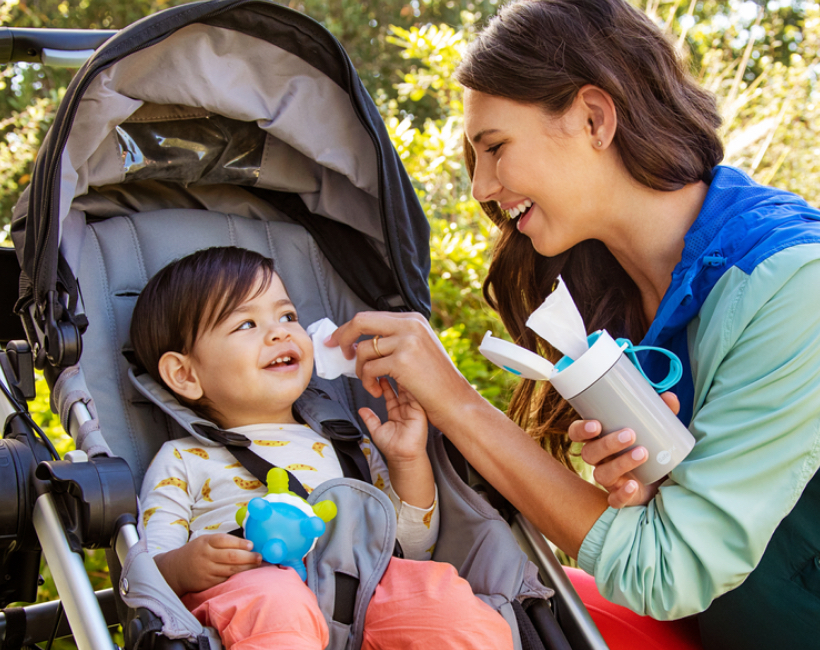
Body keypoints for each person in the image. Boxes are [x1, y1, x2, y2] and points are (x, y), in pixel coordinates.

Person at [326, 1, 820, 649]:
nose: (479, 187)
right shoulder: (620, 292)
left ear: (593, 118)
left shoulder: (791, 286)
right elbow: (652, 536)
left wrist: (457, 403)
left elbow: (664, 571)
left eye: (495, 147)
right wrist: (639, 494)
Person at [130, 246, 513, 650]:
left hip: (365, 588)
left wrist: (406, 460)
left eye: (287, 316)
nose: (280, 332)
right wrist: (184, 567)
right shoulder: (183, 459)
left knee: (445, 601)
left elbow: (410, 547)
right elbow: (148, 574)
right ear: (185, 374)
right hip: (257, 592)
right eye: (245, 324)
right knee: (274, 603)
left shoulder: (346, 443)